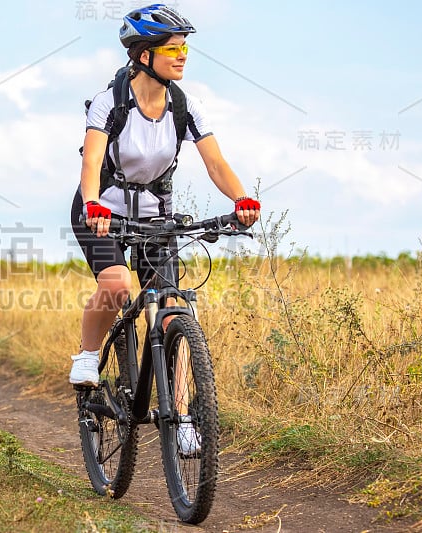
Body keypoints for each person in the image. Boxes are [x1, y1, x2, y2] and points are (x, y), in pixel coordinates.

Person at [68, 4, 260, 453]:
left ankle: (183, 416)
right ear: (143, 55)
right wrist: (94, 202)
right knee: (115, 286)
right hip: (102, 211)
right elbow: (92, 161)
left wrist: (241, 199)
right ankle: (88, 355)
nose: (183, 56)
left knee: (173, 309)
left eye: (185, 47)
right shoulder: (110, 101)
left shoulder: (184, 104)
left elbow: (215, 162)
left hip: (156, 218)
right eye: (173, 48)